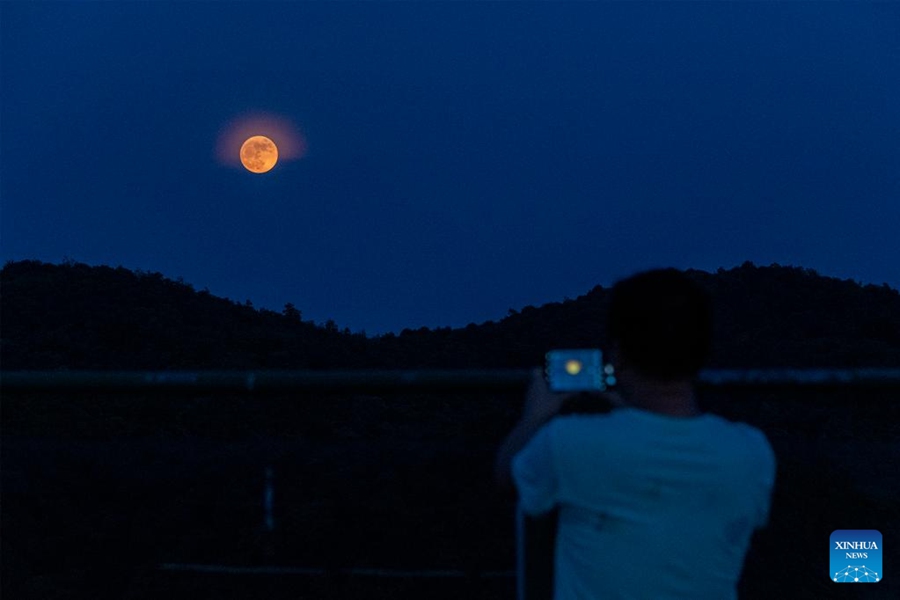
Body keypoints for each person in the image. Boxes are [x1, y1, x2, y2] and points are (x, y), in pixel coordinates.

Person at [495, 268, 776, 599]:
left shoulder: (568, 443)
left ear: (618, 352)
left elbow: (509, 475)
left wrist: (535, 416)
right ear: (703, 351)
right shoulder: (751, 453)